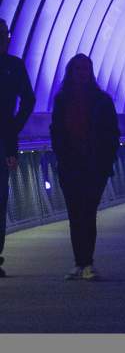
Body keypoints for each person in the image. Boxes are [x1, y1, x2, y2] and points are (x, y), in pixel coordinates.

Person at [50, 53, 120, 280]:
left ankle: (86, 261)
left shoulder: (102, 100)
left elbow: (112, 134)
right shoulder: (62, 100)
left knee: (87, 212)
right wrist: (61, 156)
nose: (82, 73)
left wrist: (106, 161)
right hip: (70, 165)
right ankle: (79, 262)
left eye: (85, 69)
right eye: (78, 69)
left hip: (94, 166)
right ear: (71, 72)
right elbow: (57, 130)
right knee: (75, 214)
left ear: (91, 73)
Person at [0, 18, 35, 279]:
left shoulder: (14, 65)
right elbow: (28, 99)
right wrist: (14, 126)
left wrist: (14, 127)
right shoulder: (14, 66)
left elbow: (29, 99)